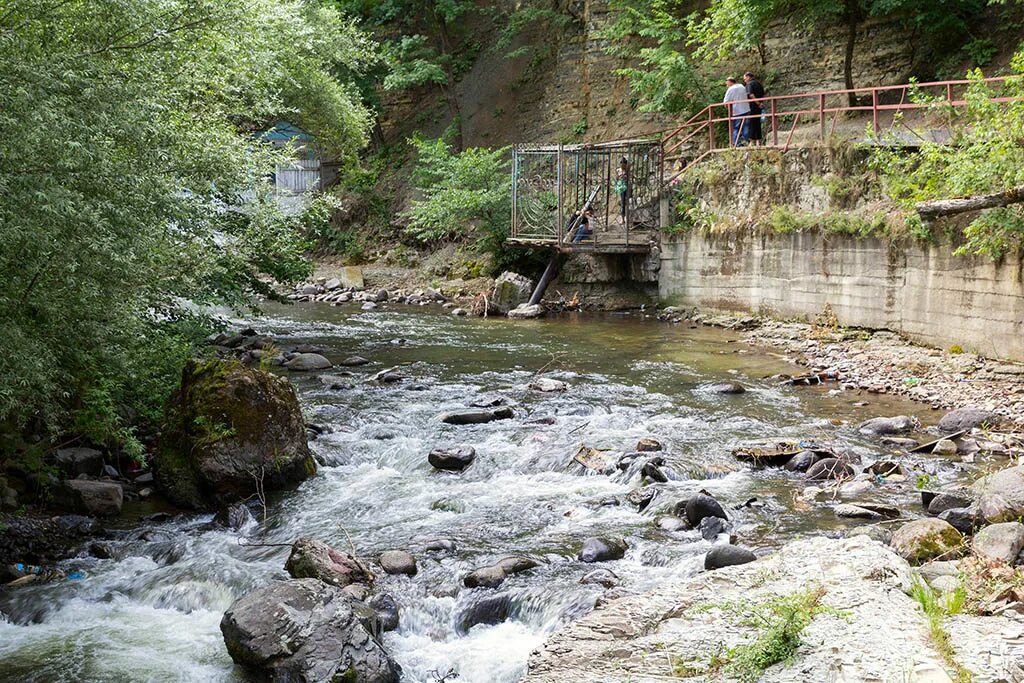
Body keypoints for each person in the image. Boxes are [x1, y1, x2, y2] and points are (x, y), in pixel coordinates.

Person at [723, 77, 751, 146]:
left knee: (736, 128)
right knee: (746, 126)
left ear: (730, 82)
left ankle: (736, 143)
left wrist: (728, 108)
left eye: (727, 83)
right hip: (746, 109)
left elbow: (725, 102)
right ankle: (746, 141)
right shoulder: (742, 86)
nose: (726, 85)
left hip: (737, 111)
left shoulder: (731, 89)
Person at [744, 71, 765, 145]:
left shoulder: (749, 84)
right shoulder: (759, 84)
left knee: (751, 123)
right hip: (759, 106)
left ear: (748, 77)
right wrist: (760, 103)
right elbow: (762, 94)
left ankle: (752, 142)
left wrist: (758, 103)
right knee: (757, 122)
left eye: (745, 78)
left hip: (752, 106)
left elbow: (751, 95)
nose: (745, 80)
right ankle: (758, 141)